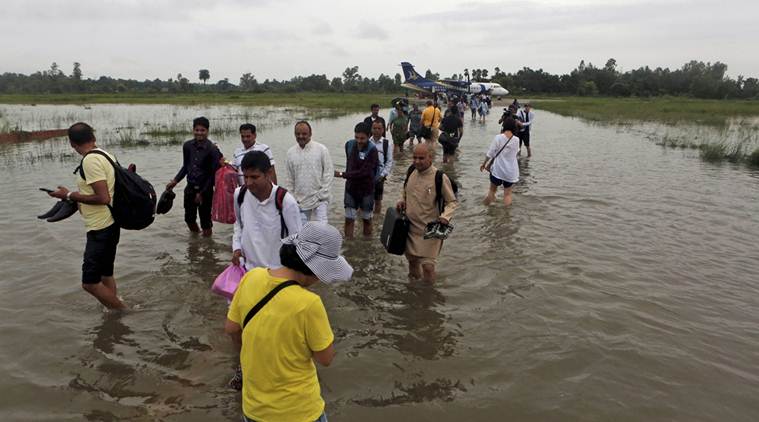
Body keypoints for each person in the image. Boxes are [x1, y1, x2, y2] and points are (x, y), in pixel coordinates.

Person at [225, 223, 353, 422]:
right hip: (299, 411)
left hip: (253, 408)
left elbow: (232, 328)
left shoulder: (252, 277)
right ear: (314, 268)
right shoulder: (309, 304)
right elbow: (326, 358)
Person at [48, 122, 125, 310]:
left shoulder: (90, 161)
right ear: (93, 137)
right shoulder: (106, 154)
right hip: (111, 223)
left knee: (89, 283)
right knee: (106, 274)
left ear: (72, 143)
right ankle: (113, 321)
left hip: (100, 228)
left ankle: (124, 312)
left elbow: (103, 197)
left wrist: (68, 195)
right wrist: (74, 196)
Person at [396, 143, 458, 283]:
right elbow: (405, 190)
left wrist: (445, 217)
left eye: (421, 158)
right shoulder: (411, 171)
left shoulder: (439, 177)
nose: (417, 161)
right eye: (415, 157)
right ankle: (414, 292)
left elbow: (452, 202)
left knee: (428, 267)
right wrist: (401, 200)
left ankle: (428, 297)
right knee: (412, 263)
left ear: (430, 158)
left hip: (430, 230)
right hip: (410, 228)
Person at [232, 151, 302, 271]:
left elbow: (296, 239)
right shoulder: (240, 194)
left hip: (278, 271)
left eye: (254, 177)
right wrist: (237, 247)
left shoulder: (285, 201)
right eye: (245, 177)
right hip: (249, 270)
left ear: (268, 173)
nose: (248, 183)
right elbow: (239, 224)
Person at [166, 116, 222, 236]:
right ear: (193, 130)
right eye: (197, 130)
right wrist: (175, 181)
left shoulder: (213, 150)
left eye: (202, 130)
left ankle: (207, 246)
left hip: (205, 190)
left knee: (206, 222)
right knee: (189, 219)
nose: (199, 133)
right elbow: (186, 166)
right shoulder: (187, 146)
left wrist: (201, 193)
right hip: (190, 188)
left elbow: (213, 176)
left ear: (207, 131)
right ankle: (196, 242)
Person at [284, 121, 334, 224]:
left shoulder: (321, 149)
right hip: (300, 201)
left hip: (320, 200)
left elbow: (328, 174)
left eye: (304, 134)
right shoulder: (290, 153)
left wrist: (322, 195)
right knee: (301, 232)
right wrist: (292, 198)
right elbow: (289, 179)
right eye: (298, 134)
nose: (301, 136)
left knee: (321, 231)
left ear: (310, 134)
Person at [335, 123, 379, 239]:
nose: (359, 141)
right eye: (357, 137)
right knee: (349, 218)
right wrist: (347, 175)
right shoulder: (349, 145)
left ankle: (366, 245)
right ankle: (349, 245)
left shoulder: (372, 150)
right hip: (351, 188)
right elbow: (350, 164)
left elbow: (364, 172)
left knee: (366, 219)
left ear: (369, 136)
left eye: (362, 138)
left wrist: (342, 174)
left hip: (367, 189)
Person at [480, 117, 520, 207]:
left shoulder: (498, 138)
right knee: (508, 194)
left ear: (504, 125)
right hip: (510, 172)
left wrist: (484, 164)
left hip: (498, 170)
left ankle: (484, 208)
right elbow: (516, 152)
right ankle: (506, 216)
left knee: (492, 191)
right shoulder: (516, 140)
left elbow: (490, 153)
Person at [369, 120, 393, 213]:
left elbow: (389, 162)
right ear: (371, 129)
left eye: (379, 128)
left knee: (378, 200)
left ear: (383, 130)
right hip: (367, 175)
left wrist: (382, 175)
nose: (376, 130)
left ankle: (376, 220)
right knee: (363, 199)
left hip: (380, 177)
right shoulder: (367, 142)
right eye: (374, 128)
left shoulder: (387, 143)